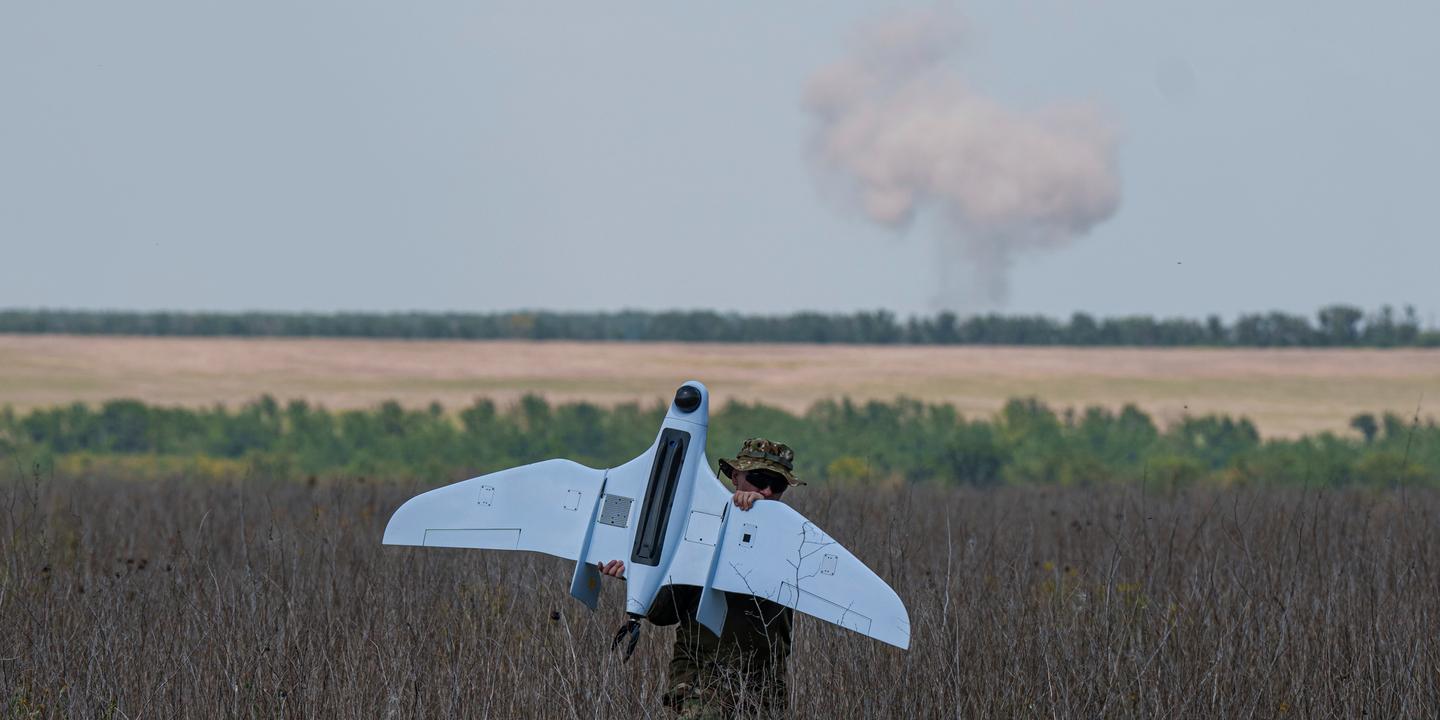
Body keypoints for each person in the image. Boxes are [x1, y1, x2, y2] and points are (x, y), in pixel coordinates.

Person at [598, 437, 804, 719]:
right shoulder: (701, 527)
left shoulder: (792, 536)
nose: (767, 491)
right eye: (758, 479)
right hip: (701, 687)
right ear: (735, 476)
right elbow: (663, 612)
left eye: (777, 485)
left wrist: (757, 524)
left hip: (763, 689)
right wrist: (634, 579)